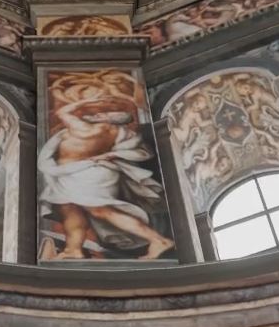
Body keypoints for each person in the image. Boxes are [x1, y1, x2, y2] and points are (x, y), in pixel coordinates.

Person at [38, 94, 176, 260]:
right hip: (70, 175)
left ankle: (159, 240)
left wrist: (89, 100)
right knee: (70, 210)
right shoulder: (118, 132)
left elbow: (62, 112)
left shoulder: (88, 128)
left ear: (110, 121)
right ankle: (73, 249)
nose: (97, 114)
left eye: (104, 114)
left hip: (86, 174)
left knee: (100, 210)